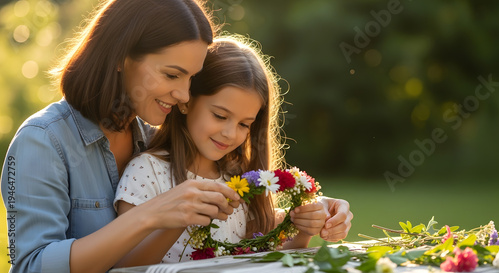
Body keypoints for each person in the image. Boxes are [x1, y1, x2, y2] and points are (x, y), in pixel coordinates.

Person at [0, 1, 243, 272]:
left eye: (191, 79)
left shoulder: (154, 145)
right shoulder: (42, 141)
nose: (184, 95)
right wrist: (150, 215)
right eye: (172, 74)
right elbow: (31, 267)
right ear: (120, 57)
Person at [113, 36, 352, 267]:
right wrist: (181, 218)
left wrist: (302, 228)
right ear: (186, 101)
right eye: (220, 115)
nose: (230, 133)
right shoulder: (147, 171)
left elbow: (262, 258)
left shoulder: (237, 179)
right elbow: (125, 265)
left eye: (244, 124)